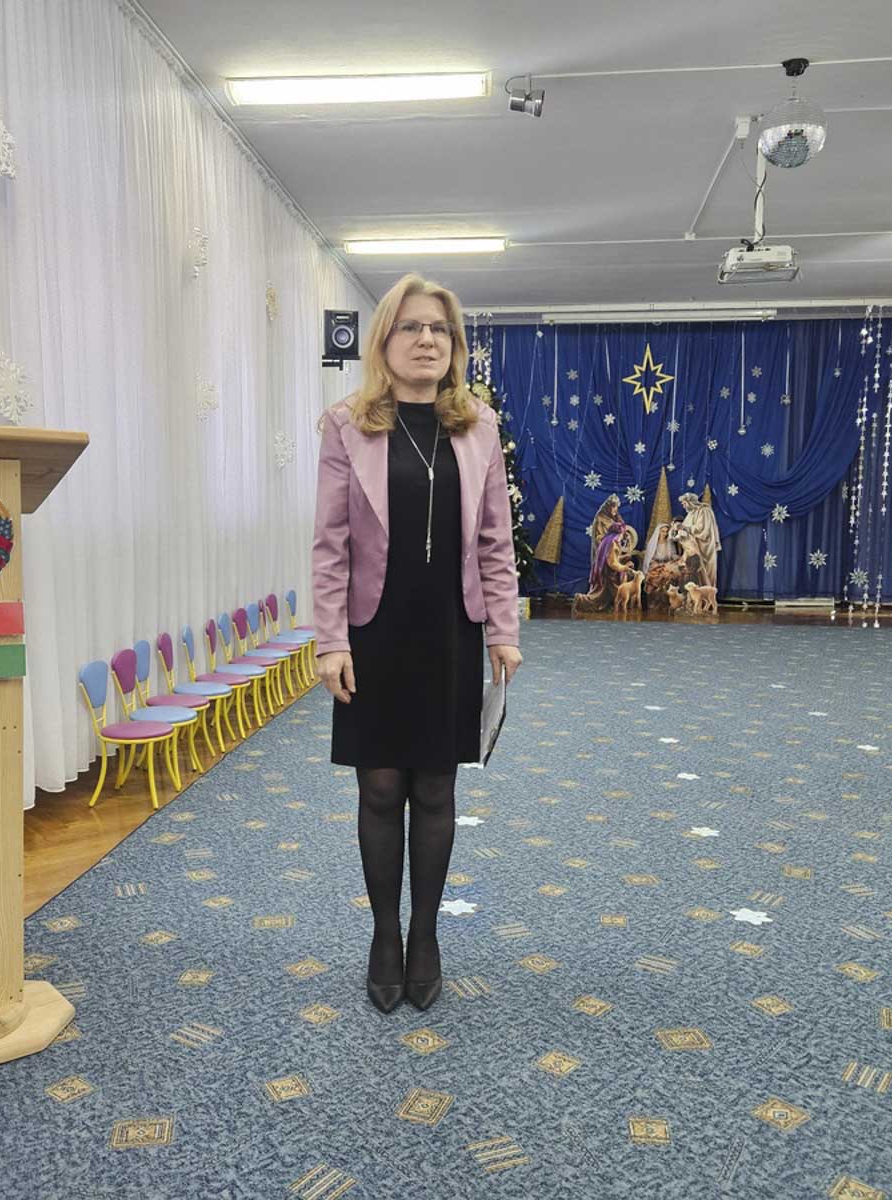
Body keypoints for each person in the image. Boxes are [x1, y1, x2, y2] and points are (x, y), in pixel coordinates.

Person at [311, 273, 523, 1013]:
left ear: (454, 345)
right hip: (373, 630)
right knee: (378, 787)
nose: (427, 339)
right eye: (411, 327)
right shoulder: (347, 425)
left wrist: (503, 630)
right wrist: (330, 640)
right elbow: (330, 544)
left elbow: (495, 540)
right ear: (385, 341)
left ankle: (425, 936)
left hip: (448, 629)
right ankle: (383, 936)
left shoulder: (479, 426)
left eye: (440, 329)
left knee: (435, 786)